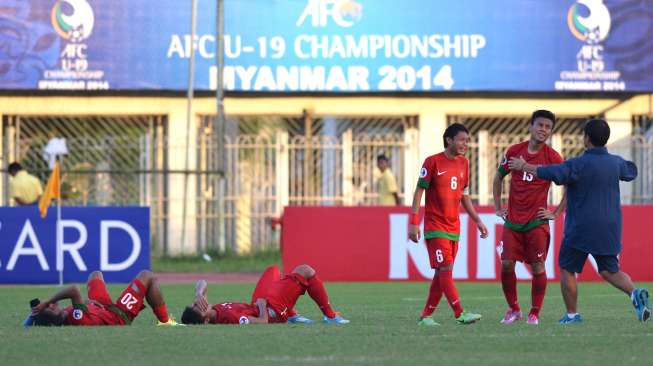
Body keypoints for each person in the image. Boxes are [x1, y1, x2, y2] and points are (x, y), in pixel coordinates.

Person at [509, 118, 651, 324]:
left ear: (586, 138)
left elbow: (551, 172)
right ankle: (634, 293)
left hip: (581, 228)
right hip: (610, 227)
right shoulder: (616, 163)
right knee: (610, 270)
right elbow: (631, 171)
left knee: (567, 267)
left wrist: (524, 166)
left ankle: (572, 315)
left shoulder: (578, 164)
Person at [409, 123, 489, 326]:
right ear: (449, 140)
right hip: (435, 226)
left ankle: (426, 316)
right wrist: (413, 221)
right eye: (462, 140)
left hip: (454, 227)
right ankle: (459, 313)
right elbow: (419, 192)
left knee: (442, 272)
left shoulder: (464, 163)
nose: (465, 144)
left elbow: (465, 196)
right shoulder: (432, 162)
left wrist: (478, 220)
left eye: (467, 141)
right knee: (445, 266)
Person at [493, 110, 566, 325]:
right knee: (506, 264)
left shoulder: (553, 158)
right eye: (540, 125)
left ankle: (535, 313)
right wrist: (498, 207)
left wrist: (556, 212)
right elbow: (498, 177)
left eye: (548, 127)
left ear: (551, 132)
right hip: (513, 220)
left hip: (537, 221)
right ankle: (514, 309)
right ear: (531, 126)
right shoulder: (515, 151)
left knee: (538, 267)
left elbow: (569, 184)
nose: (543, 130)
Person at [180, 264, 350, 325]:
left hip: (258, 303)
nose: (199, 304)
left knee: (273, 270)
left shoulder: (210, 309)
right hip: (271, 310)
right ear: (207, 319)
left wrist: (198, 293)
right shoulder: (229, 318)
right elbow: (262, 322)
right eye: (198, 308)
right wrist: (262, 306)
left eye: (195, 304)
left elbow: (202, 282)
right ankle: (330, 316)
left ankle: (291, 313)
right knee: (305, 270)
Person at [29, 270, 180, 326]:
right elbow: (74, 289)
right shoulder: (75, 317)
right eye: (50, 308)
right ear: (53, 319)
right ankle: (165, 321)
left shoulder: (71, 313)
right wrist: (47, 302)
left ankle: (165, 320)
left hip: (102, 307)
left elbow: (79, 302)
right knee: (147, 276)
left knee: (95, 275)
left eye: (49, 304)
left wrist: (88, 303)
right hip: (119, 316)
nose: (52, 304)